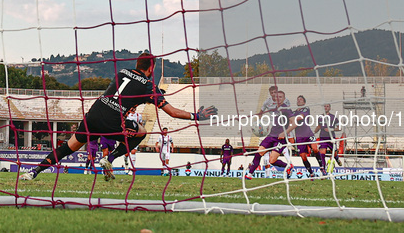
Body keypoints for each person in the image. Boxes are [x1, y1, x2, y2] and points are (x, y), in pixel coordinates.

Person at [20, 53, 217, 181]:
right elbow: (173, 112)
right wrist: (196, 116)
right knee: (141, 132)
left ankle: (33, 172)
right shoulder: (149, 87)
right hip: (112, 123)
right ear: (151, 68)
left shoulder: (121, 72)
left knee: (66, 148)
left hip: (93, 115)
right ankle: (111, 158)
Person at [245, 91, 294, 180]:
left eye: (280, 97)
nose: (278, 98)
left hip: (280, 139)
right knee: (259, 152)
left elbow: (294, 123)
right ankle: (249, 175)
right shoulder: (275, 108)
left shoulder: (286, 109)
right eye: (277, 97)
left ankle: (288, 167)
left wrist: (285, 133)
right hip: (271, 136)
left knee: (272, 161)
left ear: (284, 98)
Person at [287, 95, 316, 178]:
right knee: (303, 156)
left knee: (315, 149)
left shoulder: (306, 109)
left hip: (308, 134)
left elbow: (300, 117)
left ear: (304, 102)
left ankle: (322, 167)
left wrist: (292, 119)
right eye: (298, 99)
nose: (299, 100)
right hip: (299, 137)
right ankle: (311, 173)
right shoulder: (294, 112)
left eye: (301, 99)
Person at [314, 103, 341, 175]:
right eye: (324, 106)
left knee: (334, 153)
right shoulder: (320, 117)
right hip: (323, 138)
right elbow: (319, 126)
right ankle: (323, 169)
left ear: (330, 108)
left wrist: (331, 129)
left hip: (331, 138)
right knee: (322, 153)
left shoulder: (333, 117)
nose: (326, 107)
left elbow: (339, 128)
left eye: (327, 106)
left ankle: (337, 158)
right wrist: (314, 132)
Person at [124, 105, 144, 173]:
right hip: (127, 136)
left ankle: (132, 169)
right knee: (126, 154)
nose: (133, 109)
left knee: (133, 151)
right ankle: (126, 164)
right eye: (132, 108)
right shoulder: (126, 114)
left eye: (134, 108)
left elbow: (141, 125)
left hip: (135, 136)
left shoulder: (139, 116)